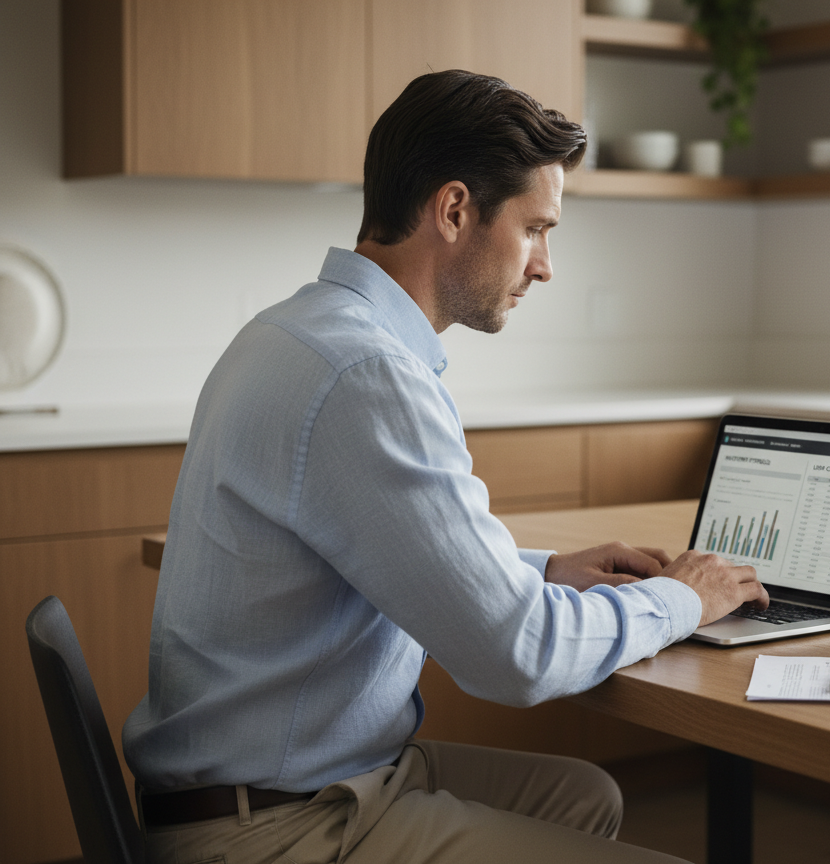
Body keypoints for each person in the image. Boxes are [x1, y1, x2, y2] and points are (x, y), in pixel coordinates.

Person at [123, 69, 767, 864]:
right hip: (277, 827)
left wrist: (545, 570)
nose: (545, 265)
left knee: (585, 795)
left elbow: (377, 551)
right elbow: (518, 654)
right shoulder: (366, 375)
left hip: (276, 779)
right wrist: (683, 598)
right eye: (535, 229)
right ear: (455, 210)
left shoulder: (294, 331)